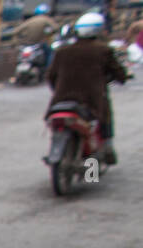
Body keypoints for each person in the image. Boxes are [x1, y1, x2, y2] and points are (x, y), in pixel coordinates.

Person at [46, 12, 130, 165]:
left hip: (61, 101)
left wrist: (57, 90)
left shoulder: (62, 51)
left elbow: (51, 76)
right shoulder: (103, 50)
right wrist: (123, 77)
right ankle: (106, 150)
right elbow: (118, 73)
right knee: (104, 117)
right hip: (91, 102)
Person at [14, 3, 58, 70]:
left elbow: (16, 31)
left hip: (25, 44)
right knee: (50, 53)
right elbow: (56, 28)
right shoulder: (46, 19)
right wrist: (49, 33)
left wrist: (19, 40)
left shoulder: (30, 20)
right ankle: (48, 69)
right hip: (38, 43)